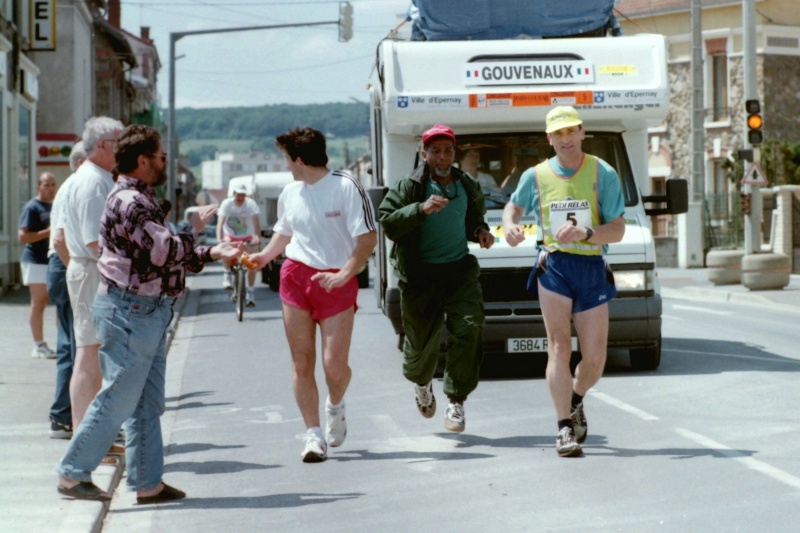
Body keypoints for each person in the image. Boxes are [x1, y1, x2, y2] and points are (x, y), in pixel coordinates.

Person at [56, 124, 244, 502]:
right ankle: (72, 472)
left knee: (145, 401)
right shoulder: (132, 201)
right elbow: (164, 252)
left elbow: (162, 252)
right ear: (142, 161)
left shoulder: (138, 198)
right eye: (161, 157)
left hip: (143, 309)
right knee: (118, 398)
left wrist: (209, 251)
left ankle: (147, 483)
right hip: (132, 310)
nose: (165, 163)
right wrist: (194, 230)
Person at [245, 127, 377, 463]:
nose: (286, 165)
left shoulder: (346, 186)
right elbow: (285, 232)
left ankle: (335, 405)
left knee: (334, 367)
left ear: (300, 159)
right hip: (295, 276)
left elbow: (367, 237)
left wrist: (345, 273)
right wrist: (264, 257)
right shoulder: (291, 192)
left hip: (336, 278)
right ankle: (313, 435)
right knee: (302, 361)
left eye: (287, 159)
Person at [501, 106, 625, 457]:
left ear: (582, 133)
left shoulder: (602, 172)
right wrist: (510, 226)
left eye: (571, 131)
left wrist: (587, 232)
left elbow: (617, 229)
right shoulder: (536, 175)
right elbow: (513, 207)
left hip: (591, 267)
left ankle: (575, 398)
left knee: (595, 359)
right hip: (554, 265)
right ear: (549, 139)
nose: (566, 139)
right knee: (558, 347)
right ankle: (563, 428)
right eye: (559, 133)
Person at [378, 124, 494, 434]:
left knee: (469, 328)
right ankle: (422, 384)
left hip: (458, 272)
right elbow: (388, 222)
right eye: (436, 151)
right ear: (424, 154)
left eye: (448, 151)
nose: (443, 157)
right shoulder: (410, 186)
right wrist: (421, 209)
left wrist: (480, 231)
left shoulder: (466, 184)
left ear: (454, 154)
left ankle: (456, 401)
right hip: (420, 276)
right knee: (419, 346)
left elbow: (474, 218)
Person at [61, 116, 124, 432]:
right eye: (118, 143)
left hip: (93, 271)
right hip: (92, 271)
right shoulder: (93, 182)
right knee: (89, 355)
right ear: (102, 146)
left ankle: (94, 435)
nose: (123, 150)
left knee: (95, 355)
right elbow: (96, 242)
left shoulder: (97, 177)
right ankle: (84, 436)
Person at [46, 141, 86, 439]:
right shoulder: (76, 186)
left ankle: (62, 417)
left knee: (69, 346)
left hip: (59, 266)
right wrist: (76, 272)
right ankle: (69, 417)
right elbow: (60, 240)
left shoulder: (69, 186)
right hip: (65, 265)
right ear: (82, 162)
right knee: (79, 348)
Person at [19, 172, 58, 359]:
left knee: (60, 301)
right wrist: (47, 232)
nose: (50, 188)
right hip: (35, 260)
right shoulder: (32, 207)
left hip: (53, 259)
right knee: (39, 302)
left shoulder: (57, 205)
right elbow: (23, 237)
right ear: (38, 187)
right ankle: (39, 345)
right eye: (46, 185)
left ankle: (64, 342)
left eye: (53, 184)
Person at [217, 183, 261, 306]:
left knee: (251, 263)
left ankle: (250, 292)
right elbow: (220, 223)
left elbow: (256, 222)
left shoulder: (250, 204)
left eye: (243, 195)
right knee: (224, 248)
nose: (241, 198)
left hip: (247, 237)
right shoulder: (227, 204)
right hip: (230, 236)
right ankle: (227, 273)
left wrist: (257, 237)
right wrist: (219, 238)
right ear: (233, 194)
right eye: (238, 195)